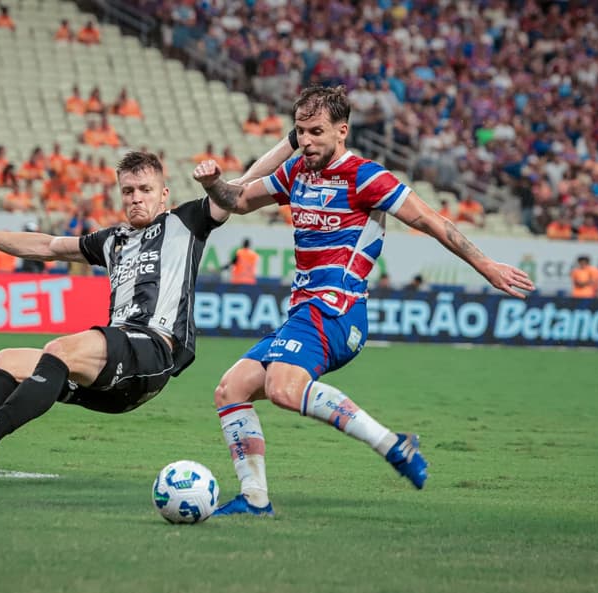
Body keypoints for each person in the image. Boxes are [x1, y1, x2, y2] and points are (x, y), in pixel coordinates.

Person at [191, 85, 535, 516]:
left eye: (317, 131)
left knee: (282, 387)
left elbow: (430, 220)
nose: (307, 141)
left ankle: (393, 445)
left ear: (342, 131)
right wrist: (213, 183)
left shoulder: (366, 176)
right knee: (230, 390)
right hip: (304, 312)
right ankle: (255, 498)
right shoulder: (296, 171)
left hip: (338, 310)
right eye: (301, 132)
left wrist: (486, 266)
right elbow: (239, 200)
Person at [0, 144, 294, 463]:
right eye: (128, 191)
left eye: (145, 190)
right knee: (4, 361)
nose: (136, 199)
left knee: (60, 349)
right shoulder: (111, 240)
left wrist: (291, 140)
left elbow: (245, 184)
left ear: (163, 195)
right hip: (113, 376)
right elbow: (47, 246)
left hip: (152, 350)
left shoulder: (186, 222)